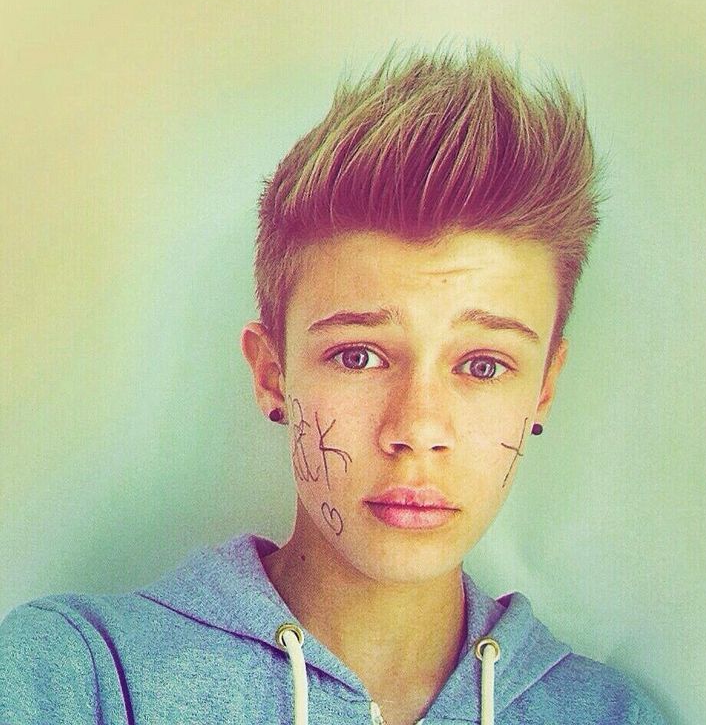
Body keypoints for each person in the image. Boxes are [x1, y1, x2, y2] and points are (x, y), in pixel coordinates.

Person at [0, 44, 668, 725]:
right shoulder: (75, 677)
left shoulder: (611, 715)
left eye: (483, 366)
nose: (418, 429)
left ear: (544, 390)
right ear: (272, 373)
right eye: (358, 356)